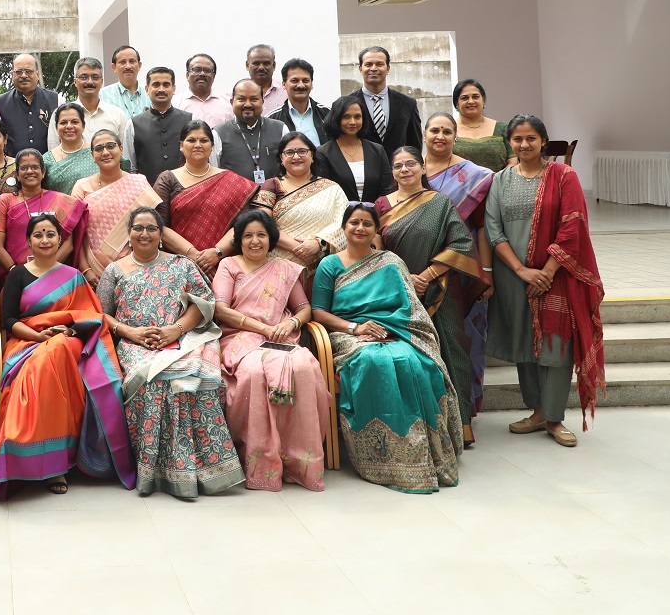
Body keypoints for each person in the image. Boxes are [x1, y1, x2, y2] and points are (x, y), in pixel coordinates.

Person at [311, 204, 463, 493]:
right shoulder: (329, 265)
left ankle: (425, 452)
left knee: (415, 361)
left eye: (367, 223)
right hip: (348, 333)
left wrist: (392, 330)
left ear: (376, 230)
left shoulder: (390, 261)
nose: (360, 228)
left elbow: (410, 309)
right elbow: (319, 312)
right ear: (343, 228)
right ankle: (382, 454)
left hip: (394, 331)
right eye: (354, 222)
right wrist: (356, 329)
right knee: (372, 361)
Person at [98, 206, 245, 499]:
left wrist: (175, 330)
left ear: (161, 234)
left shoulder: (181, 265)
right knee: (154, 381)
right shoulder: (114, 270)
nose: (144, 234)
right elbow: (102, 315)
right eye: (138, 228)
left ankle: (201, 470)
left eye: (151, 228)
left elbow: (204, 303)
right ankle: (157, 471)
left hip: (183, 339)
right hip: (134, 343)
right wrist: (131, 332)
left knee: (193, 380)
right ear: (128, 234)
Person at [0, 213, 134, 499]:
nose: (45, 239)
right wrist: (40, 335)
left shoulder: (74, 277)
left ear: (60, 240)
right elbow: (9, 320)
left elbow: (89, 318)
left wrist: (65, 331)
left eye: (50, 234)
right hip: (25, 343)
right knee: (46, 358)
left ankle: (57, 463)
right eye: (38, 234)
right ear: (29, 241)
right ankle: (28, 452)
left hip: (68, 342)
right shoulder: (18, 274)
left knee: (56, 351)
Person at [486, 115, 605, 448]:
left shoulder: (563, 176)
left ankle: (555, 418)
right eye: (517, 139)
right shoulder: (500, 180)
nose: (524, 145)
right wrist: (522, 271)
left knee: (555, 346)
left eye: (531, 138)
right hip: (514, 277)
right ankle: (537, 412)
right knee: (526, 344)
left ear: (543, 141)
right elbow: (494, 231)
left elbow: (572, 226)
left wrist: (548, 272)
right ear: (509, 142)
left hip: (556, 277)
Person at [211, 210, 328, 491]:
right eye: (248, 235)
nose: (255, 241)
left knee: (302, 366)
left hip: (279, 337)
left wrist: (290, 323)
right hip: (239, 338)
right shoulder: (229, 265)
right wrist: (262, 328)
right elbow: (220, 309)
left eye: (261, 235)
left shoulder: (284, 269)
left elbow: (304, 309)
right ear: (239, 240)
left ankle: (297, 462)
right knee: (253, 373)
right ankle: (260, 462)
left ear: (271, 239)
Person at [377, 145, 482, 445]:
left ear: (423, 168)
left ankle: (461, 424)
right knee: (410, 357)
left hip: (440, 290)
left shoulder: (440, 202)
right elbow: (376, 250)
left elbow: (462, 243)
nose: (405, 170)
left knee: (453, 352)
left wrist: (428, 275)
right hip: (398, 292)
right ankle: (421, 422)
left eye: (411, 164)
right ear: (393, 172)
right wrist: (405, 277)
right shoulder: (382, 206)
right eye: (398, 166)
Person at [424, 112, 497, 424]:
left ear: (455, 137)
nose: (440, 136)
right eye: (434, 130)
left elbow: (481, 227)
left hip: (464, 268)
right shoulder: (410, 170)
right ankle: (434, 409)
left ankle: (465, 411)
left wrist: (488, 274)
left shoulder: (475, 175)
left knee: (466, 337)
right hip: (420, 266)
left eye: (447, 131)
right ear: (424, 134)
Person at [155, 120, 258, 280]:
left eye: (203, 140)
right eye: (191, 140)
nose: (198, 145)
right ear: (181, 146)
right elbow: (159, 225)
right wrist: (195, 256)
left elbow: (242, 224)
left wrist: (216, 253)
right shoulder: (167, 179)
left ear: (212, 146)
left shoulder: (230, 180)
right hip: (180, 265)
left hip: (223, 265)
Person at [255, 133, 348, 282]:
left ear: (312, 156)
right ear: (281, 157)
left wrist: (319, 244)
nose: (296, 156)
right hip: (279, 266)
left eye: (302, 151)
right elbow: (262, 224)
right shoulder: (271, 185)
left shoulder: (332, 189)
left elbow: (343, 224)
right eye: (289, 152)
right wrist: (301, 250)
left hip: (323, 264)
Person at [72, 130, 159, 286]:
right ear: (92, 155)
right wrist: (86, 269)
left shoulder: (138, 183)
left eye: (110, 146)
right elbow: (77, 235)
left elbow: (152, 227)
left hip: (138, 266)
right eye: (99, 148)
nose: (105, 152)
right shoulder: (81, 187)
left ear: (121, 149)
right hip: (94, 270)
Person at [0, 148, 85, 276]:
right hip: (14, 275)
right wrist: (17, 272)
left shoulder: (60, 200)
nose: (30, 171)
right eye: (24, 168)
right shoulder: (6, 200)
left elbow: (68, 245)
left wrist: (45, 272)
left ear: (43, 172)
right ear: (17, 175)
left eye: (35, 167)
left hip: (52, 275)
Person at [47, 56, 135, 170]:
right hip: (70, 181)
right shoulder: (61, 114)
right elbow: (53, 155)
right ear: (75, 81)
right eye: (84, 77)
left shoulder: (117, 114)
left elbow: (124, 154)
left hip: (110, 180)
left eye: (95, 77)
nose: (90, 82)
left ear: (102, 81)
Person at [315, 97, 394, 202]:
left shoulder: (377, 150)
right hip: (340, 216)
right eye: (346, 117)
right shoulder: (323, 153)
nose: (352, 122)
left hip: (375, 215)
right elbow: (325, 194)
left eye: (357, 117)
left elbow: (386, 190)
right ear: (336, 118)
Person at [351, 46, 422, 157]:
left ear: (388, 68)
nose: (374, 68)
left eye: (379, 64)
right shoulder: (348, 104)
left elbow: (415, 144)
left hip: (398, 170)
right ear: (360, 69)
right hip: (362, 170)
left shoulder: (408, 104)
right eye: (368, 64)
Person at [212, 80, 288, 184]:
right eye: (241, 99)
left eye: (254, 99)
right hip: (236, 198)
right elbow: (213, 175)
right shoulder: (218, 133)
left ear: (262, 101)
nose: (248, 104)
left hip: (276, 196)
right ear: (232, 102)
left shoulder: (280, 128)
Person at [132, 66, 191, 187]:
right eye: (156, 85)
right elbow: (131, 166)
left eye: (166, 85)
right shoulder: (133, 124)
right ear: (147, 89)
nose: (161, 89)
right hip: (147, 193)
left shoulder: (190, 120)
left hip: (184, 190)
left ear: (173, 88)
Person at [0, 52, 59, 156]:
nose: (24, 75)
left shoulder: (56, 99)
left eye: (29, 71)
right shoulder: (0, 102)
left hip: (50, 167)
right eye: (18, 72)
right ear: (12, 74)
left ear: (38, 73)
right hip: (12, 168)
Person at [451, 79, 513, 172]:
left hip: (498, 184)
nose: (471, 101)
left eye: (475, 96)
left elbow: (513, 162)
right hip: (458, 186)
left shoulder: (502, 129)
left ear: (483, 101)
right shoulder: (449, 130)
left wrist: (496, 181)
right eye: (464, 98)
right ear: (456, 104)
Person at [268, 58, 330, 146]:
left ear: (311, 84)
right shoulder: (272, 119)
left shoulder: (328, 114)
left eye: (305, 80)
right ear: (284, 84)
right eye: (294, 81)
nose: (301, 85)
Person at [42, 102, 98, 197]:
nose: (69, 126)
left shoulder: (96, 153)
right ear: (56, 127)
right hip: (60, 210)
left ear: (83, 126)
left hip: (94, 209)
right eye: (63, 122)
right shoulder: (46, 159)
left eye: (74, 122)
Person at [176, 53, 232, 127]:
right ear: (187, 75)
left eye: (207, 70)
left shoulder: (228, 104)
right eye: (196, 70)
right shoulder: (175, 104)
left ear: (214, 76)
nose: (202, 74)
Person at [99, 44, 147, 118]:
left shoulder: (150, 93)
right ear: (114, 67)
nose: (128, 66)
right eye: (122, 62)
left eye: (132, 61)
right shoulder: (103, 95)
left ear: (139, 65)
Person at [245, 44, 288, 116]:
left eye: (266, 63)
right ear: (247, 65)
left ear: (274, 66)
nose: (261, 68)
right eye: (256, 63)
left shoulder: (286, 91)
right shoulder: (235, 94)